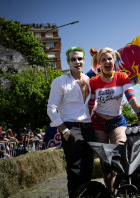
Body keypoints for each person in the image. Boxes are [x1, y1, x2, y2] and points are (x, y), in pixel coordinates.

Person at [88, 47, 140, 193]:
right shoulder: (93, 82)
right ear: (99, 63)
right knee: (106, 162)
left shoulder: (122, 77)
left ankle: (126, 189)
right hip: (98, 123)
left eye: (109, 59)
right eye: (103, 60)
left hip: (117, 122)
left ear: (114, 60)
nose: (107, 62)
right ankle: (111, 192)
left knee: (122, 154)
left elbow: (131, 97)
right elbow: (91, 105)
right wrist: (86, 123)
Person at [47, 46, 95, 197]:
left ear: (84, 61)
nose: (77, 62)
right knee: (75, 170)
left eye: (80, 58)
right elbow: (51, 109)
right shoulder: (60, 81)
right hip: (71, 128)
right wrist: (64, 130)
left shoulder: (89, 80)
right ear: (68, 62)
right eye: (73, 59)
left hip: (89, 128)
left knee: (88, 168)